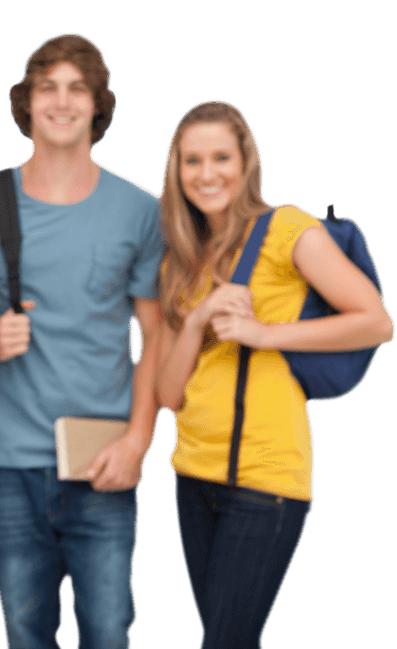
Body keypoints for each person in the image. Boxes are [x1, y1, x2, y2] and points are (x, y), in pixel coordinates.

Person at [0, 33, 164, 649]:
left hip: (103, 460)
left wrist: (138, 442)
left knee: (108, 629)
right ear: (27, 103)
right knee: (25, 630)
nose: (62, 101)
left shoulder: (140, 210)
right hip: (7, 459)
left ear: (99, 105)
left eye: (78, 89)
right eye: (49, 88)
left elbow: (155, 338)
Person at [155, 99, 393, 649]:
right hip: (193, 474)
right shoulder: (179, 260)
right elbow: (169, 393)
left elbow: (377, 321)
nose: (207, 173)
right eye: (193, 161)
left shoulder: (286, 227)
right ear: (177, 171)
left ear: (246, 164)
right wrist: (194, 325)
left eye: (221, 157)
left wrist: (264, 334)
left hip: (265, 478)